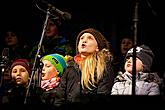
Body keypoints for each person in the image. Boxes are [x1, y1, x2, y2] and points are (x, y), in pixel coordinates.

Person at [44, 28, 115, 108]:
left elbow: (103, 95)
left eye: (89, 38)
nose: (84, 41)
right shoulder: (70, 68)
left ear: (97, 47)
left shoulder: (104, 67)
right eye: (81, 38)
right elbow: (60, 97)